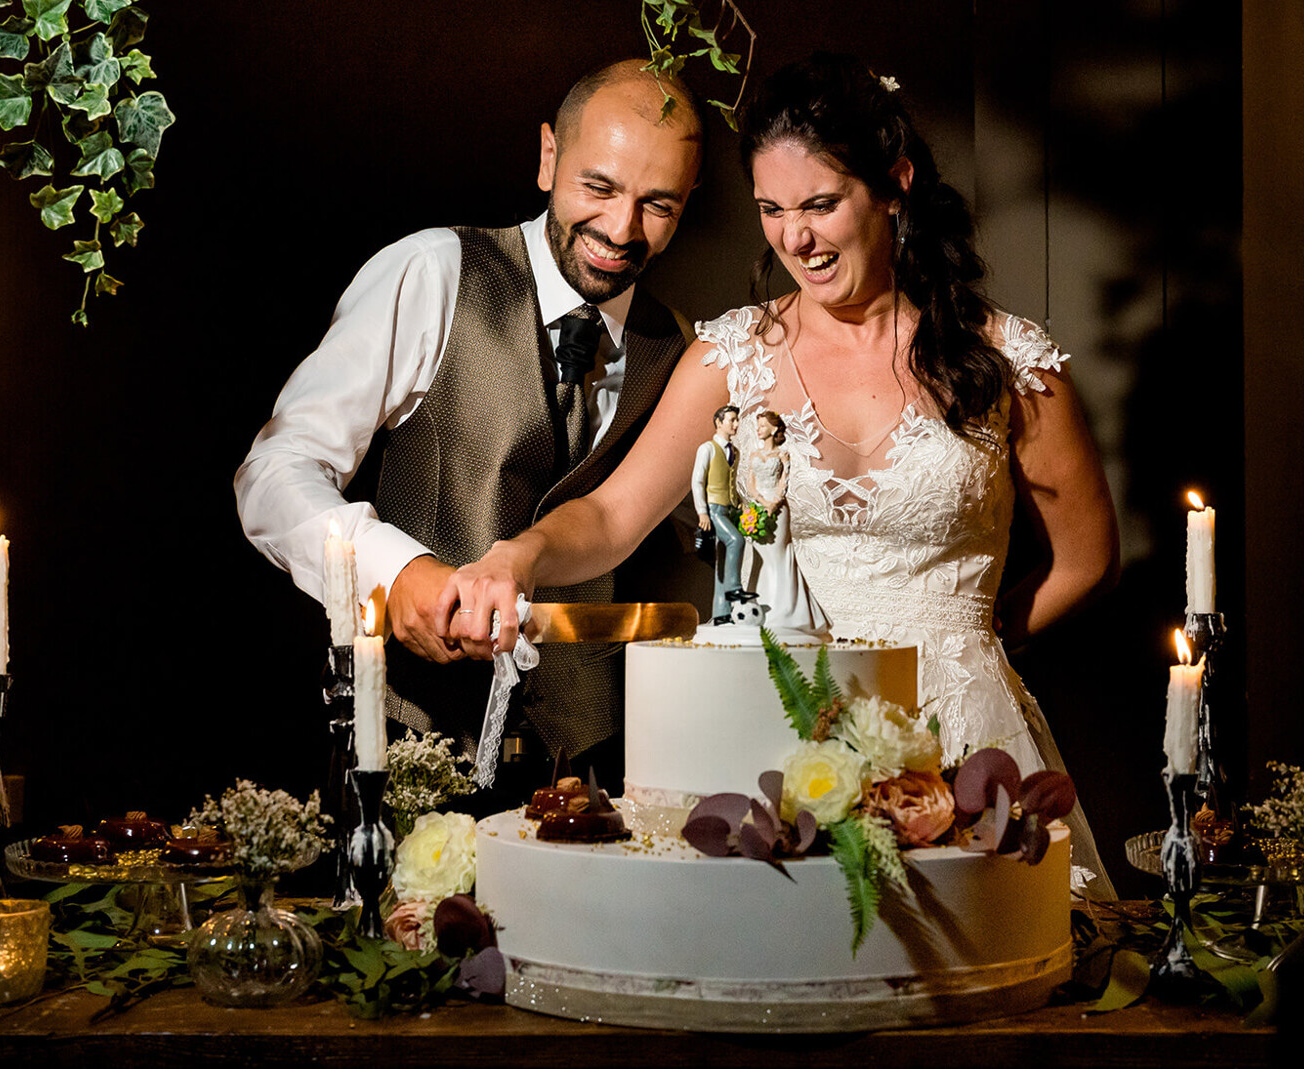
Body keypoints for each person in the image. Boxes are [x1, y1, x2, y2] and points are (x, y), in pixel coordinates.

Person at [433, 52, 1119, 895]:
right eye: (772, 209)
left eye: (822, 204)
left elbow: (1087, 556)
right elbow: (611, 516)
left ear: (894, 185)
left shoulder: (1007, 360)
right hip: (779, 737)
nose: (795, 237)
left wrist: (964, 646)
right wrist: (519, 556)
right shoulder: (732, 354)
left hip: (959, 741)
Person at [234, 59, 705, 781]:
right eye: (599, 187)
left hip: (586, 768)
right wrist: (396, 571)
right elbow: (273, 473)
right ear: (549, 156)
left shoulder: (681, 351)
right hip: (405, 750)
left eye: (658, 205)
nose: (620, 228)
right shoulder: (434, 272)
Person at [737, 409, 826, 634]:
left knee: (779, 554)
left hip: (778, 509)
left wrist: (774, 502)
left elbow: (784, 482)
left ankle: (785, 611)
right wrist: (759, 501)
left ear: (775, 429)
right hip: (758, 506)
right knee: (760, 556)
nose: (759, 429)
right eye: (758, 426)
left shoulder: (782, 455)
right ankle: (759, 609)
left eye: (763, 426)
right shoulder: (754, 456)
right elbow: (751, 483)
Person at [689, 405, 745, 623]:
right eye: (731, 420)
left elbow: (731, 482)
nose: (736, 424)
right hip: (714, 510)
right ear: (719, 422)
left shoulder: (735, 452)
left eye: (737, 420)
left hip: (730, 509)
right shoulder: (707, 449)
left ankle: (721, 615)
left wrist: (738, 504)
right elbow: (697, 481)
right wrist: (702, 512)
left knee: (722, 562)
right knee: (735, 541)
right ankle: (735, 591)